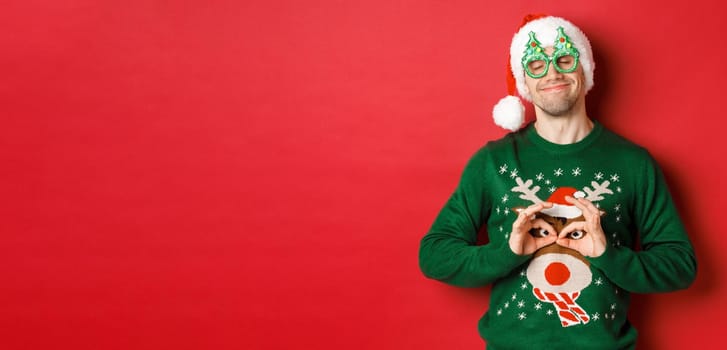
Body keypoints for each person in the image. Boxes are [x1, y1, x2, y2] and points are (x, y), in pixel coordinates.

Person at [418, 14, 697, 349]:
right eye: (537, 64)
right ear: (524, 81)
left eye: (565, 59)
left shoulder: (633, 164)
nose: (552, 73)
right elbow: (434, 255)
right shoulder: (493, 162)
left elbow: (680, 265)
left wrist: (608, 254)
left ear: (585, 70)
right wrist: (507, 251)